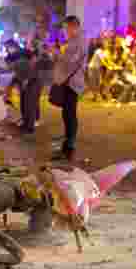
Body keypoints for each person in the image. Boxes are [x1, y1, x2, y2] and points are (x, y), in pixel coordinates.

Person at [51, 15, 86, 162]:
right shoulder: (72, 41)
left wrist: (58, 54)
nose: (65, 31)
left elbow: (72, 61)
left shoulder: (79, 41)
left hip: (72, 83)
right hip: (69, 82)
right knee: (67, 114)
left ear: (74, 27)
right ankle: (66, 147)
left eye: (67, 28)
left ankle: (69, 149)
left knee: (70, 115)